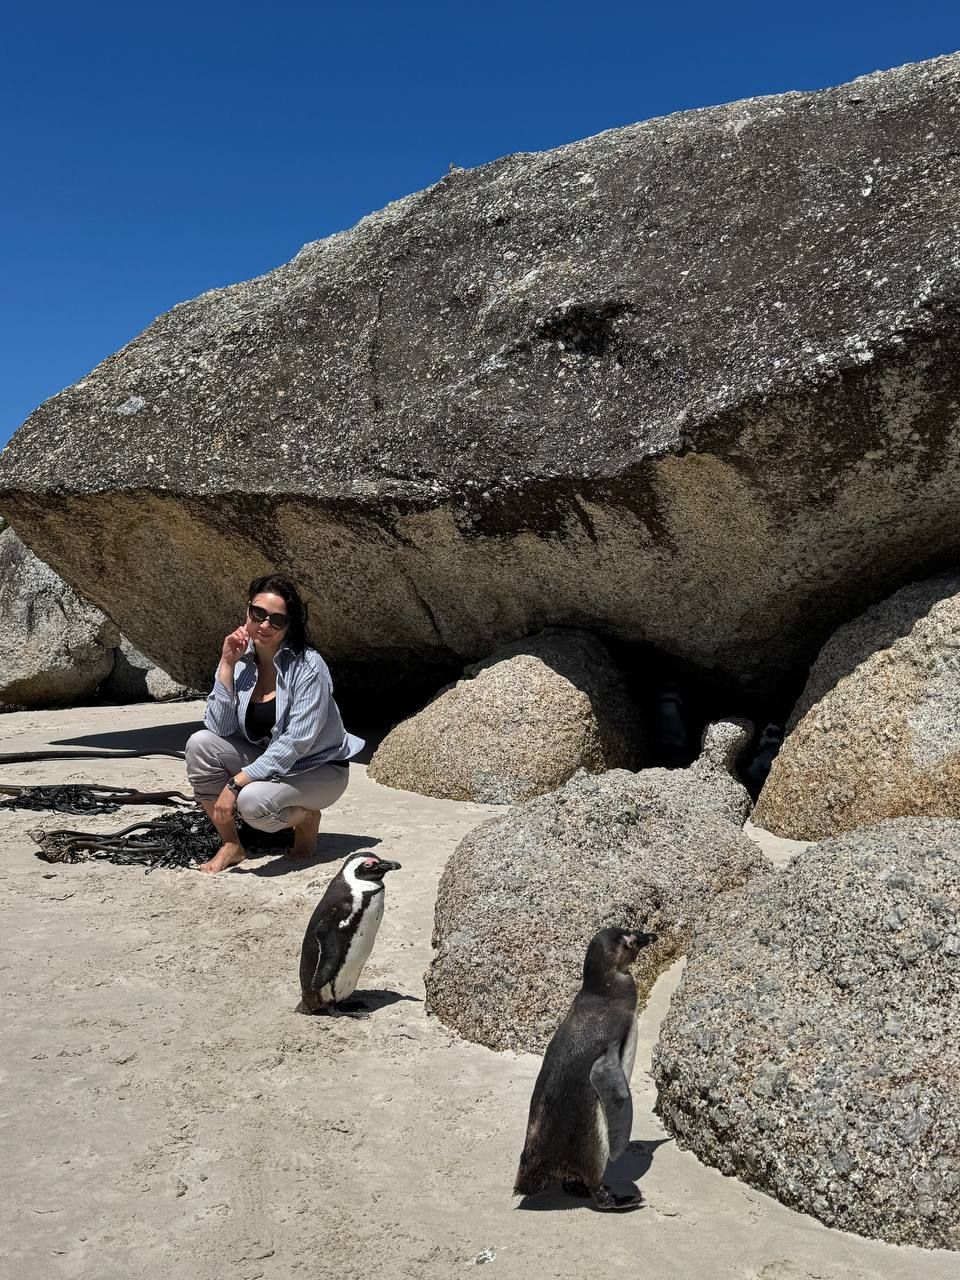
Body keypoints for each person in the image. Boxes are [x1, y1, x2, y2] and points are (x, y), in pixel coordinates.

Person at [184, 575, 363, 874]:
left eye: (277, 620)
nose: (265, 625)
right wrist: (226, 665)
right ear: (248, 610)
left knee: (252, 804)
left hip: (318, 768)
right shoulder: (240, 658)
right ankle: (231, 844)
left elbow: (296, 743)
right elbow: (219, 728)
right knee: (199, 744)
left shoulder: (309, 666)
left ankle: (306, 818)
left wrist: (235, 784)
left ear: (289, 626)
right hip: (272, 762)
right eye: (258, 614)